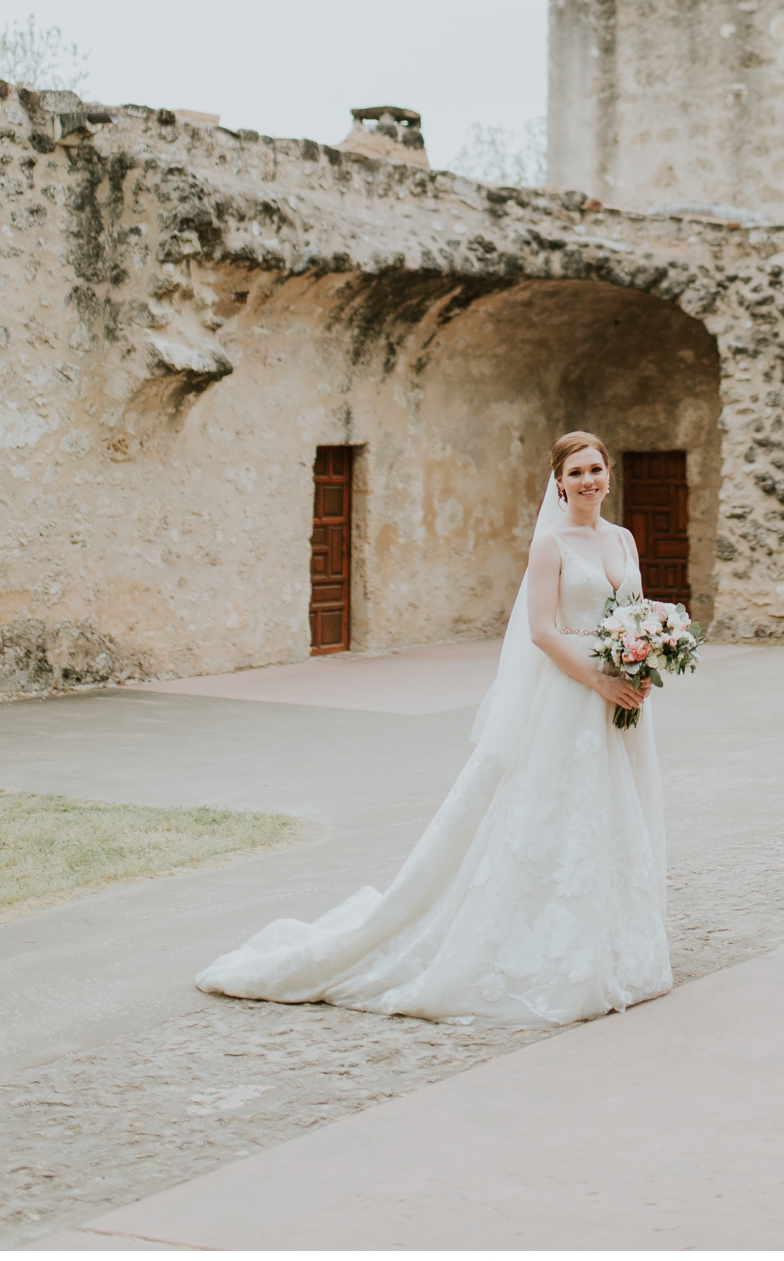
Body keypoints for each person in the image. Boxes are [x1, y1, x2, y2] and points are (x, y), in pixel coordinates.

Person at [194, 432, 673, 1027]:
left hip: (621, 699)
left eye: (596, 469)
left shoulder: (623, 538)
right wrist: (598, 680)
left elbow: (634, 612)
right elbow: (544, 632)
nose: (588, 481)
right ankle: (549, 949)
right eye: (576, 472)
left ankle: (617, 946)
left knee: (616, 811)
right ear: (559, 482)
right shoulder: (551, 545)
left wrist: (643, 660)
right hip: (571, 701)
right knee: (559, 814)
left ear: (608, 474)